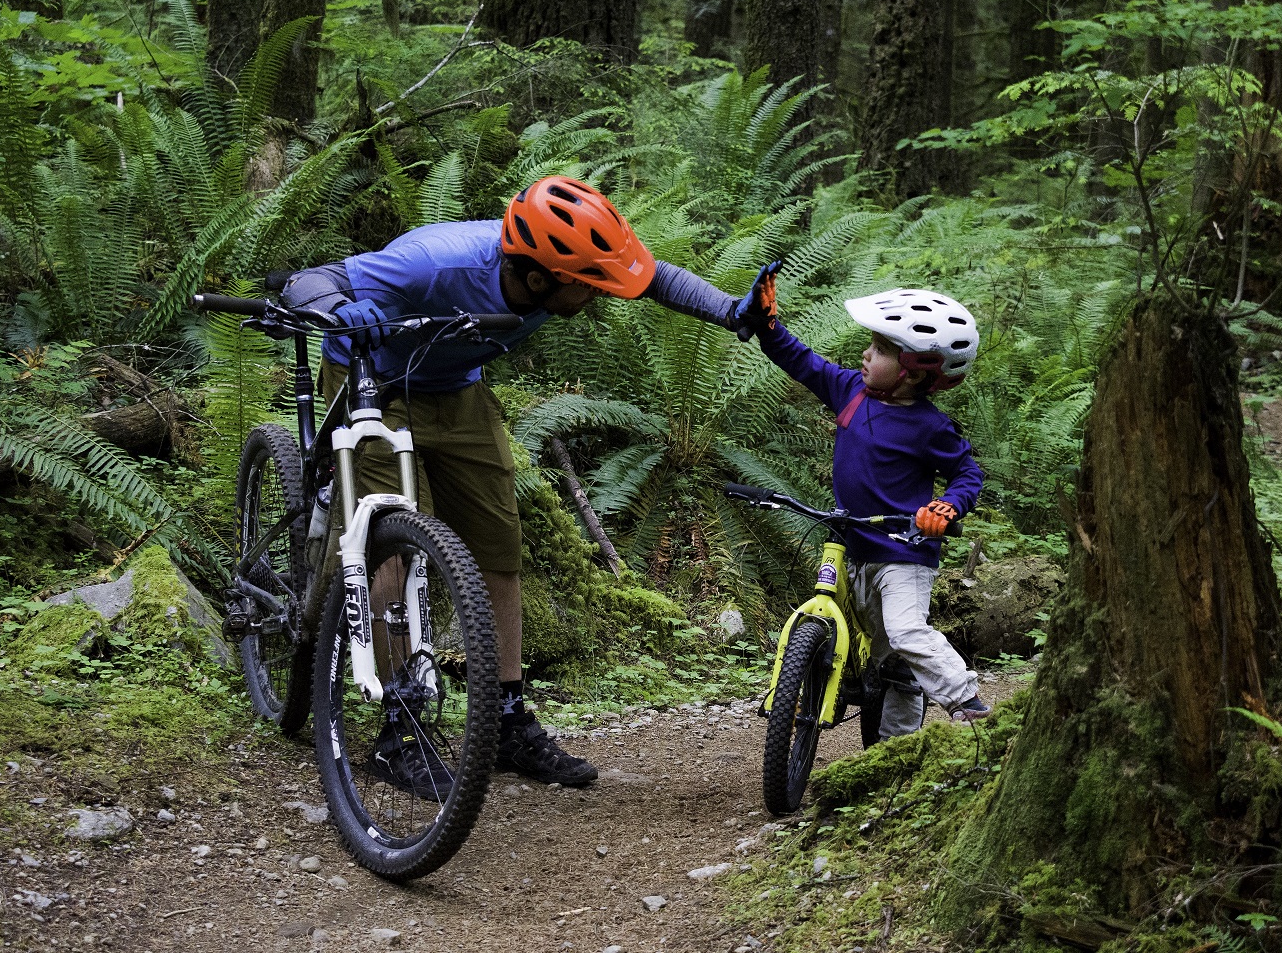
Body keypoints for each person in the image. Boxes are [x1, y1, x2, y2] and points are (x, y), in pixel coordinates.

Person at [282, 176, 751, 794]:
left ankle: (504, 717)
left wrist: (729, 309)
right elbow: (307, 282)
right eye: (586, 288)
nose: (596, 297)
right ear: (538, 278)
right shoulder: (432, 263)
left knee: (499, 550)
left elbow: (650, 276)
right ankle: (401, 724)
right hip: (377, 383)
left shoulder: (559, 271)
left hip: (456, 388)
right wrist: (345, 311)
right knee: (393, 541)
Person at [732, 270, 991, 737]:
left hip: (903, 555)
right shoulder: (850, 390)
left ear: (915, 370)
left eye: (881, 349)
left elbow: (968, 473)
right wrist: (769, 325)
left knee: (905, 636)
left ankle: (964, 701)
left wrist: (947, 507)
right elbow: (802, 361)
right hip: (853, 547)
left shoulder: (930, 427)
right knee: (885, 656)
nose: (865, 354)